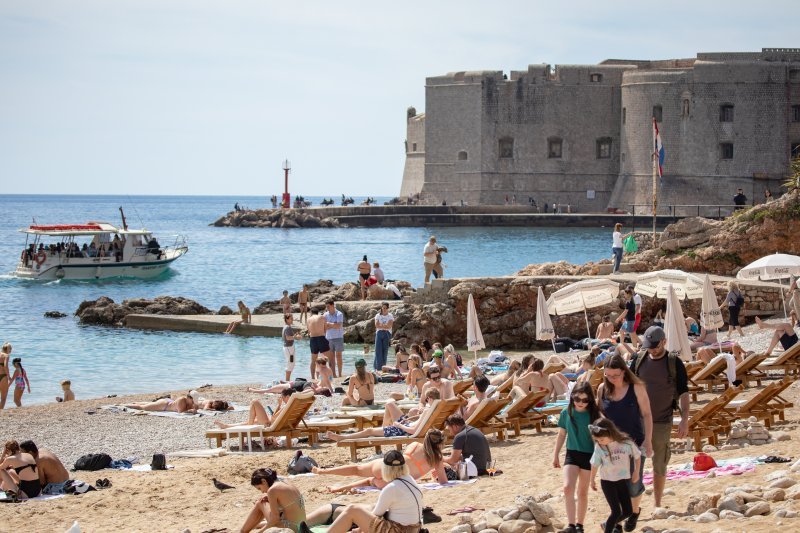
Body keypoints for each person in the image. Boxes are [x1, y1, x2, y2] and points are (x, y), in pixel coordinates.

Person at [629, 326, 690, 514]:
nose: (652, 350)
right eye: (649, 346)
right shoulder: (638, 360)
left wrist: (684, 419)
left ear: (664, 341)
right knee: (634, 464)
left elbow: (684, 393)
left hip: (662, 420)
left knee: (659, 463)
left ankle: (657, 504)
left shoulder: (674, 363)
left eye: (655, 346)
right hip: (638, 422)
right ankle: (633, 507)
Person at [596, 354, 653, 532]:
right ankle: (618, 524)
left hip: (635, 443)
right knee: (616, 485)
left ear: (624, 371)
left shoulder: (636, 388)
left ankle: (634, 512)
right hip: (611, 448)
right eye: (608, 375)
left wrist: (649, 440)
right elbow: (600, 415)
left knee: (634, 486)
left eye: (616, 375)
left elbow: (647, 414)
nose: (612, 379)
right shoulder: (602, 389)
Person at [314, 429, 448, 493]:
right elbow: (443, 482)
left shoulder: (415, 446)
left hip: (385, 467)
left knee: (357, 469)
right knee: (370, 482)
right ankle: (337, 489)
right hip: (393, 481)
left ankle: (323, 471)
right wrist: (434, 479)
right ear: (440, 444)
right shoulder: (437, 460)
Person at [325, 450, 424, 533]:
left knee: (352, 510)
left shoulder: (392, 487)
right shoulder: (410, 479)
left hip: (399, 530)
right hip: (415, 528)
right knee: (370, 508)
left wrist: (359, 529)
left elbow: (376, 515)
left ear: (385, 469)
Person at [553, 382, 601, 533]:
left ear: (590, 400)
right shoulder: (566, 413)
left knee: (582, 492)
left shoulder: (594, 415)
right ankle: (571, 525)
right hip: (571, 454)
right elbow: (561, 435)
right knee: (567, 488)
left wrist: (597, 463)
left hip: (589, 456)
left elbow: (598, 441)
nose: (580, 402)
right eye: (577, 399)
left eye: (585, 400)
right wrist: (555, 455)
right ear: (572, 397)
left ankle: (580, 525)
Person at [589, 418, 642, 533]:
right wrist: (592, 479)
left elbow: (637, 456)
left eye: (601, 439)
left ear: (610, 433)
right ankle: (608, 528)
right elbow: (594, 464)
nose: (599, 442)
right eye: (597, 440)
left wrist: (636, 472)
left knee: (628, 511)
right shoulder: (599, 447)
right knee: (616, 511)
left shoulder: (626, 442)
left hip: (622, 481)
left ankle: (607, 524)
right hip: (607, 481)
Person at [325, 393, 440, 444]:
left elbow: (414, 431)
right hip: (406, 424)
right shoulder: (432, 410)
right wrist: (411, 418)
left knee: (369, 431)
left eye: (426, 399)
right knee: (389, 403)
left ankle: (342, 437)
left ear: (430, 399)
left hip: (402, 429)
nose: (425, 401)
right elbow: (418, 424)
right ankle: (385, 428)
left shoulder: (428, 411)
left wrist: (399, 425)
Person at [240, 468, 306, 532]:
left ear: (264, 481)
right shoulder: (284, 481)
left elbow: (275, 519)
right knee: (264, 501)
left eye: (260, 488)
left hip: (291, 528)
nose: (262, 491)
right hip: (302, 527)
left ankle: (243, 531)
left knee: (260, 503)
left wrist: (261, 531)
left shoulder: (272, 490)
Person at [306, 311, 331, 379]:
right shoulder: (322, 317)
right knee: (328, 358)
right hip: (321, 337)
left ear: (311, 313)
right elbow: (325, 329)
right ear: (317, 313)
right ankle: (330, 376)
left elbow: (309, 331)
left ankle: (313, 378)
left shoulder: (308, 319)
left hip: (313, 339)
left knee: (313, 360)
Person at [324, 300, 345, 378]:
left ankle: (339, 374)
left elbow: (338, 326)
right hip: (328, 338)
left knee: (339, 356)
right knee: (331, 358)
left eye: (328, 306)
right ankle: (334, 374)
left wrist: (329, 324)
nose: (327, 308)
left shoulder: (339, 314)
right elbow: (325, 326)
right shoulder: (325, 315)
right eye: (326, 307)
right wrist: (333, 325)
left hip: (338, 337)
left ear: (333, 305)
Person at [124, 394, 197, 413]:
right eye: (193, 399)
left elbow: (195, 408)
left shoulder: (190, 402)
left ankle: (134, 402)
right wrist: (190, 411)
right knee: (142, 407)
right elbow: (181, 411)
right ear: (189, 398)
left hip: (168, 402)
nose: (194, 401)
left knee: (147, 404)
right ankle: (124, 405)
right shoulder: (181, 400)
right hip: (164, 405)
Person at [374, 302, 394, 371]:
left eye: (385, 308)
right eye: (383, 308)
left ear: (388, 308)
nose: (384, 309)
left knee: (384, 351)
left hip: (387, 334)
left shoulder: (390, 315)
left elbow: (389, 326)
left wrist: (381, 325)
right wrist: (385, 325)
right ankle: (377, 368)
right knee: (378, 350)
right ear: (381, 308)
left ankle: (383, 367)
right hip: (379, 333)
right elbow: (376, 325)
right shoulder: (378, 315)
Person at [282, 314, 302, 381]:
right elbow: (288, 338)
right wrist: (295, 337)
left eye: (292, 318)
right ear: (287, 319)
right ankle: (287, 380)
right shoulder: (287, 327)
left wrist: (295, 336)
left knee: (290, 363)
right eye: (291, 318)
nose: (292, 319)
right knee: (291, 363)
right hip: (289, 347)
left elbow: (289, 337)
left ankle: (287, 380)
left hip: (288, 347)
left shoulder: (286, 326)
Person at [0, 342, 12, 409]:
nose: (11, 350)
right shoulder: (6, 355)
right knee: (3, 398)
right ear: (8, 349)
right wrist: (9, 376)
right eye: (10, 349)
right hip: (3, 376)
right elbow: (5, 366)